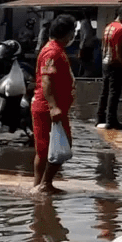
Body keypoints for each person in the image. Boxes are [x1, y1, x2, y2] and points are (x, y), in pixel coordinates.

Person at [31, 14, 77, 195]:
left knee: (45, 149)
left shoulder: (57, 49)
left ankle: (39, 185)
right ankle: (44, 184)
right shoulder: (52, 52)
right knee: (59, 146)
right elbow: (47, 80)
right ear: (67, 33)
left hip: (52, 106)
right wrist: (53, 106)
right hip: (47, 108)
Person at [96, 5, 122, 130]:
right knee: (114, 93)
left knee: (105, 92)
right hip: (115, 63)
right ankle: (111, 120)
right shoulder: (121, 29)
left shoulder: (109, 27)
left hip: (105, 62)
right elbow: (120, 50)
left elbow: (103, 46)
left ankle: (100, 118)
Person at [78, 12, 97, 77]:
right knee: (88, 60)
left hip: (85, 45)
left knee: (84, 60)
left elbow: (86, 34)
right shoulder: (88, 22)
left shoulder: (84, 23)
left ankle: (86, 73)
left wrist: (82, 44)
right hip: (89, 45)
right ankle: (87, 73)